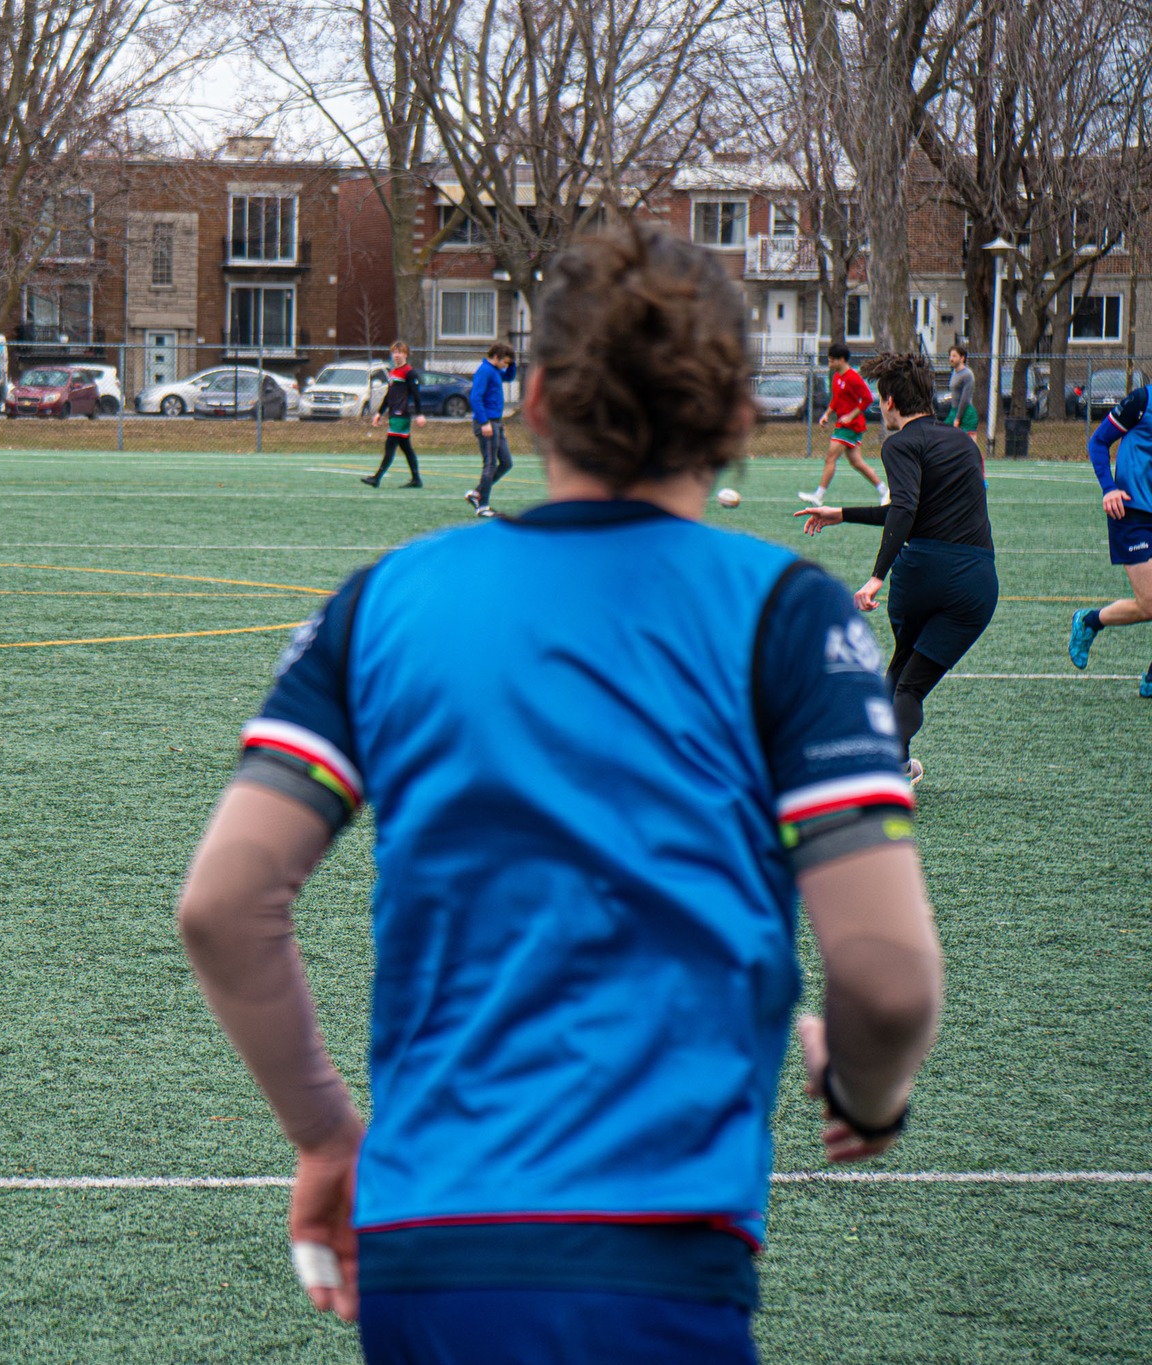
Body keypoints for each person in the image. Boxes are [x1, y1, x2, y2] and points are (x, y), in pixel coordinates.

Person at [177, 227, 941, 1364]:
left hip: (427, 1243)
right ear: (738, 420)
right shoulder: (788, 614)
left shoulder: (386, 599)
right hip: (660, 1256)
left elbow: (222, 903)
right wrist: (866, 1094)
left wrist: (329, 1139)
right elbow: (883, 979)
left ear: (531, 403)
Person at [796, 353, 996, 783]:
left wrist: (876, 576)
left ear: (888, 402)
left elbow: (905, 507)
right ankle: (896, 765)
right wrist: (844, 513)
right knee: (906, 680)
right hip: (976, 581)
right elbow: (916, 509)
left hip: (922, 574)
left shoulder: (900, 443)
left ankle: (882, 770)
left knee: (903, 679)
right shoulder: (963, 442)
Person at [1066, 382, 1152, 697]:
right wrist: (1108, 488)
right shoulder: (1142, 400)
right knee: (1150, 604)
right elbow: (1099, 442)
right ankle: (1090, 622)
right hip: (1131, 513)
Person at [800, 343, 889, 507]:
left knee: (830, 457)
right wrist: (826, 414)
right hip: (844, 425)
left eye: (832, 360)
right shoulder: (837, 377)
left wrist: (851, 415)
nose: (830, 364)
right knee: (856, 462)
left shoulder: (853, 377)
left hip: (851, 426)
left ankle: (818, 496)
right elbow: (836, 399)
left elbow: (867, 398)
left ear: (841, 360)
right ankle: (884, 490)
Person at [463, 341, 517, 516]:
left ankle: (477, 493)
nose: (506, 366)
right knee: (490, 464)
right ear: (496, 357)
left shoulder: (495, 371)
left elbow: (509, 377)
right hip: (487, 423)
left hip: (497, 423)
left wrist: (513, 362)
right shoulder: (485, 371)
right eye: (505, 362)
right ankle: (482, 506)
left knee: (506, 462)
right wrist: (484, 422)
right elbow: (475, 398)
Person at [362, 342, 423, 488]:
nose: (396, 355)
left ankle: (377, 478)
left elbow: (416, 394)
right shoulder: (393, 372)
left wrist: (419, 414)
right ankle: (416, 479)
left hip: (401, 414)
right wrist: (379, 413)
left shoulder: (409, 372)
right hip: (394, 413)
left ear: (406, 354)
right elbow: (389, 395)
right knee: (406, 447)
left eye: (400, 352)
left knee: (390, 445)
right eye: (394, 352)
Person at [946, 344, 980, 452]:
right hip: (954, 410)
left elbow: (965, 399)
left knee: (970, 446)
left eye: (954, 356)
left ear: (962, 358)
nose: (951, 359)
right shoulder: (954, 372)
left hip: (966, 412)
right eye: (950, 356)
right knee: (945, 437)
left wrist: (958, 418)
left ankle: (978, 467)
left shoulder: (967, 375)